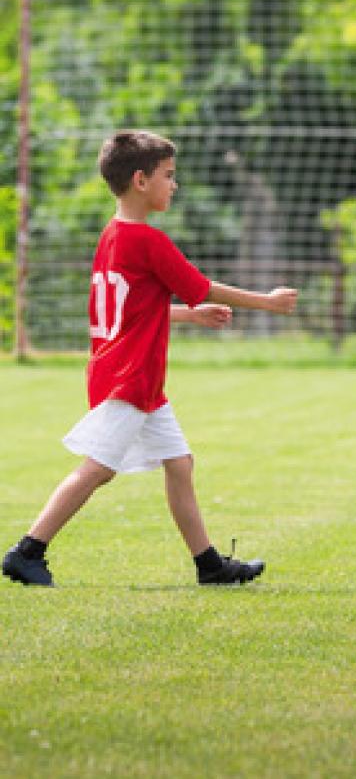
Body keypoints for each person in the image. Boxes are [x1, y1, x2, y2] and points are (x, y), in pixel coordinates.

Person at [2, 130, 299, 588]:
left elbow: (132, 310)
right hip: (130, 378)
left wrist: (186, 317)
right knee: (98, 469)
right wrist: (268, 301)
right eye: (168, 175)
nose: (174, 185)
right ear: (141, 181)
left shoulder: (112, 235)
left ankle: (210, 566)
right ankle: (27, 551)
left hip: (126, 373)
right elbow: (203, 285)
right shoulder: (149, 242)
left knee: (179, 463)